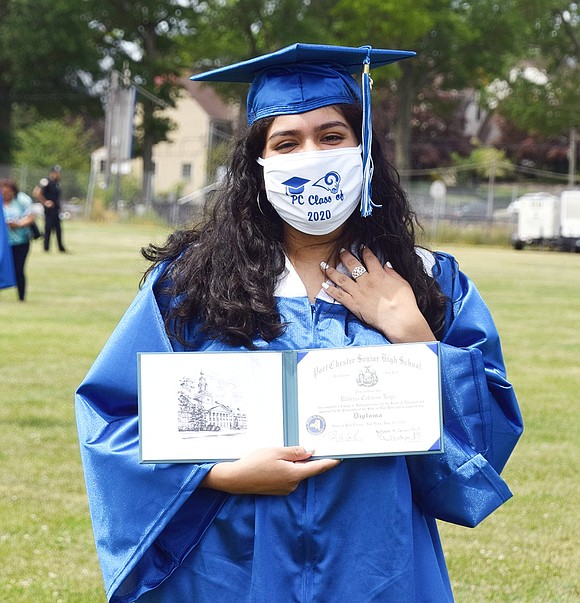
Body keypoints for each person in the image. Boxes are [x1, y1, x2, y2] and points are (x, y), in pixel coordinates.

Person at [76, 43, 523, 602]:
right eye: (287, 142)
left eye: (332, 136)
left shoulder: (430, 282)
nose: (311, 154)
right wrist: (216, 473)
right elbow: (112, 417)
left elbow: (482, 446)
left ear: (363, 151)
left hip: (376, 560)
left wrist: (415, 335)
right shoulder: (190, 286)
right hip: (230, 563)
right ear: (257, 163)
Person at [1, 179, 36, 301]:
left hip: (20, 241)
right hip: (2, 243)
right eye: (3, 191)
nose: (5, 194)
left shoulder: (22, 200)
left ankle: (21, 297)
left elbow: (31, 216)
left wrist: (19, 224)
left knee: (18, 268)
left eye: (8, 191)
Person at [34, 165, 66, 252]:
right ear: (52, 173)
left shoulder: (57, 183)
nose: (58, 175)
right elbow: (36, 192)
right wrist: (45, 202)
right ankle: (46, 247)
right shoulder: (45, 181)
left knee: (58, 229)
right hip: (49, 210)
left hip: (56, 209)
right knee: (48, 228)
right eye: (57, 173)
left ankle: (61, 248)